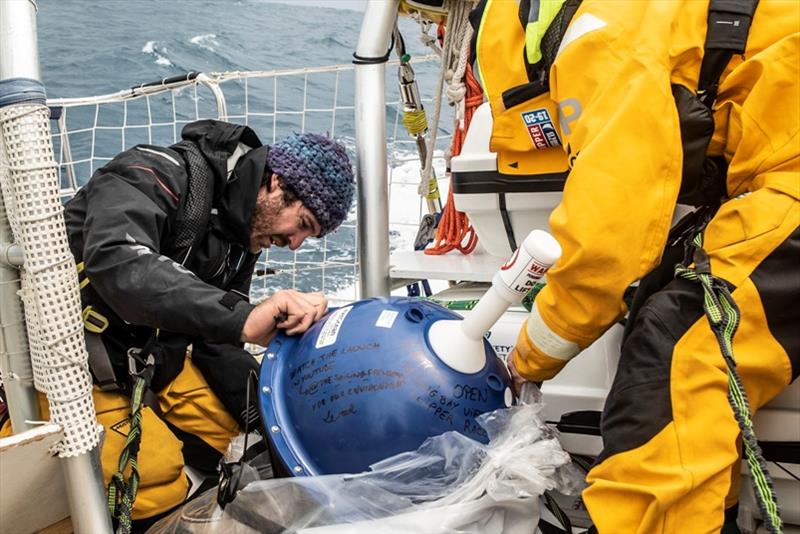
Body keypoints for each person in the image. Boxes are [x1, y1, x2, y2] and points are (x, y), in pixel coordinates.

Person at [471, 0, 798, 531]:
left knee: (680, 352)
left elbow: (608, 239)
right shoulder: (643, 16)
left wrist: (528, 360)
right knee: (666, 301)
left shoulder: (598, 36)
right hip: (775, 175)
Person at [60, 120, 354, 526]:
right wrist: (243, 315)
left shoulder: (240, 236)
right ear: (274, 183)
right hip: (79, 370)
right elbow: (117, 261)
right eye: (302, 224)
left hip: (157, 364)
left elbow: (219, 342)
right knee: (158, 477)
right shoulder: (152, 172)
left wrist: (274, 410)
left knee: (272, 441)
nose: (295, 244)